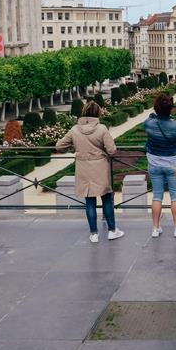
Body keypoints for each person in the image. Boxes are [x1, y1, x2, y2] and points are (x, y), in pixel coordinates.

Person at [55, 101, 124, 243]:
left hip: (83, 167)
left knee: (89, 201)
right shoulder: (102, 128)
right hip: (100, 167)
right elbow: (112, 150)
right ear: (98, 113)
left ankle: (94, 234)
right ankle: (112, 231)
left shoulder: (75, 130)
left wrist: (74, 148)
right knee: (106, 199)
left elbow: (59, 146)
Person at [144, 94, 176, 238]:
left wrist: (154, 114)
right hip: (173, 163)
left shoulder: (149, 123)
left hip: (154, 162)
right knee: (175, 196)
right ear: (170, 110)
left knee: (157, 196)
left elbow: (148, 119)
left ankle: (155, 228)